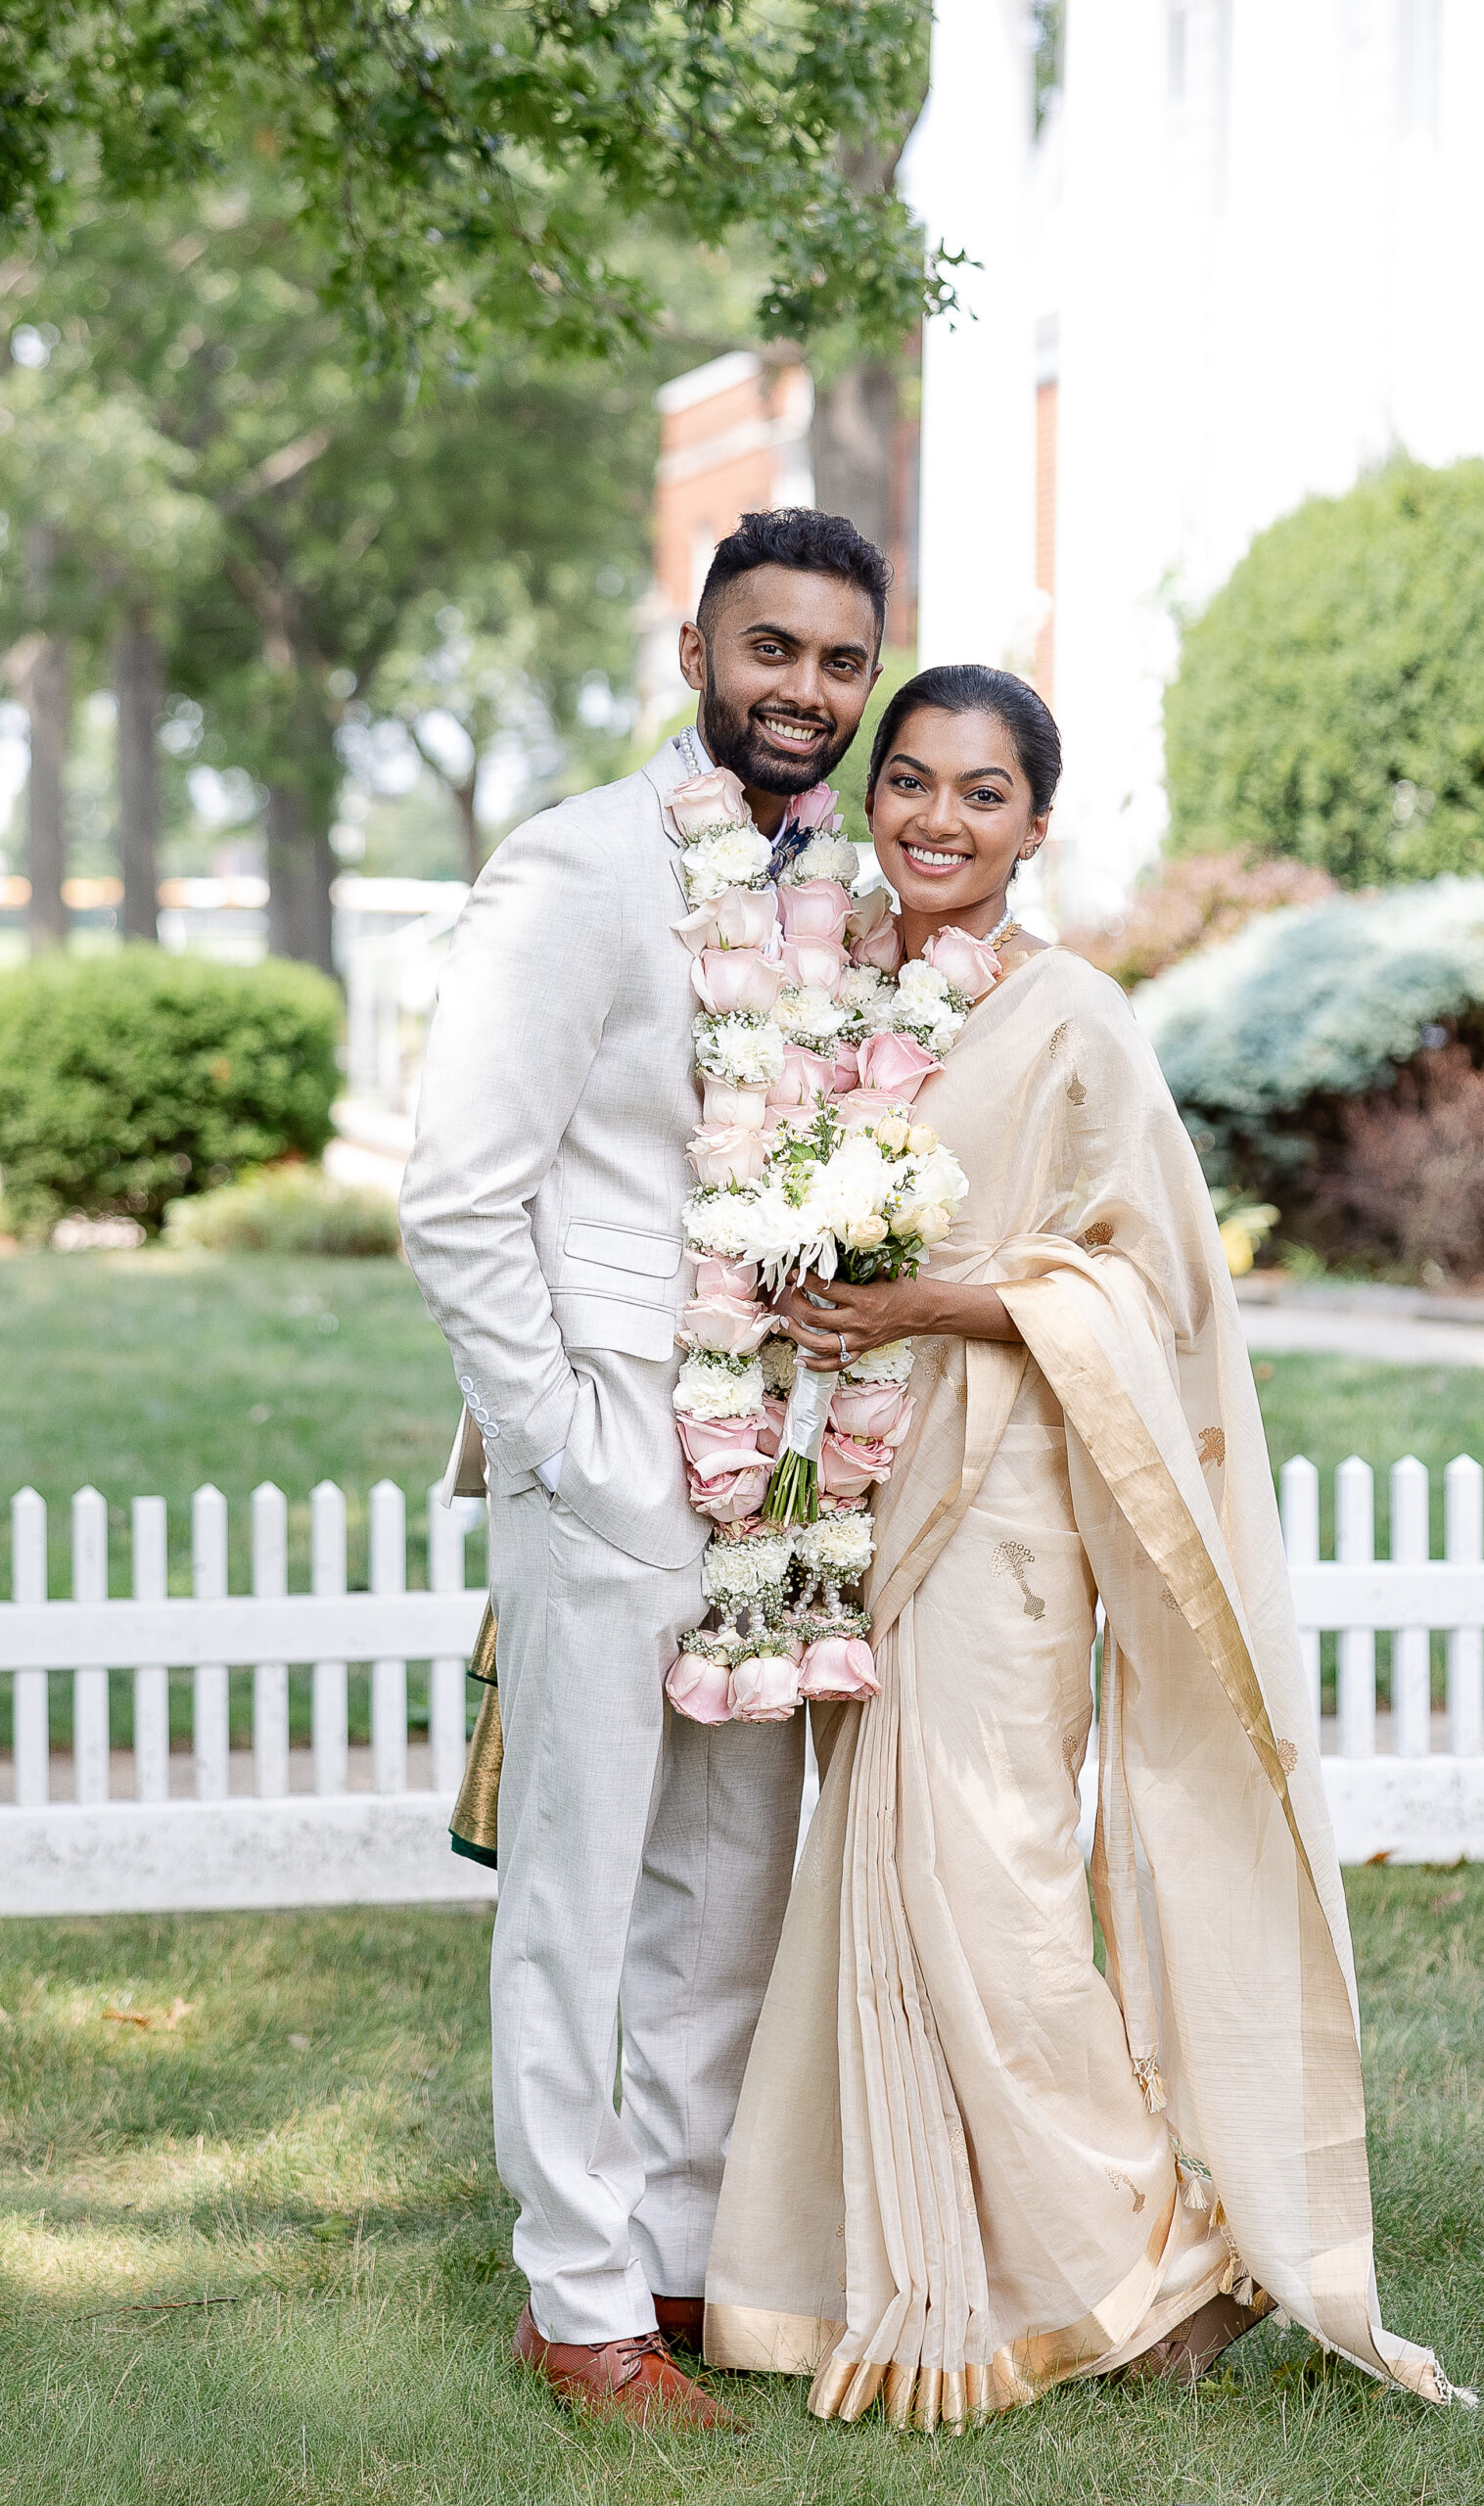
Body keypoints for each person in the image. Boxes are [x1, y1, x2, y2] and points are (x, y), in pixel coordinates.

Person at [702, 665, 1467, 2429]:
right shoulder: (816, 1001)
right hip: (857, 1513)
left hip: (1007, 1512)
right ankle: (953, 2268)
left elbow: (1153, 1285)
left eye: (982, 794)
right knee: (882, 1893)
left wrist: (935, 1301)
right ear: (865, 800)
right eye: (909, 782)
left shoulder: (1072, 1018)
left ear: (1036, 826)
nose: (937, 820)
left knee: (998, 1895)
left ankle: (1166, 2267)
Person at [398, 509, 887, 2434]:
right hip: (611, 1441)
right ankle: (575, 2299)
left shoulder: (853, 887)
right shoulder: (584, 863)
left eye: (841, 661)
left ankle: (684, 2259)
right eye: (772, 649)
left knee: (725, 1893)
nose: (807, 692)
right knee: (579, 1891)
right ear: (697, 647)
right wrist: (567, 1439)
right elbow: (457, 1188)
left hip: (787, 1471)